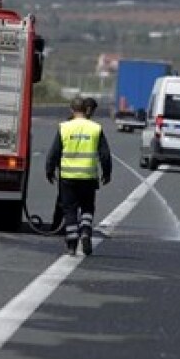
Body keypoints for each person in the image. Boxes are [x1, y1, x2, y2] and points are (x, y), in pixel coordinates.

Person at [45, 97, 112, 256]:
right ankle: (86, 232)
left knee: (69, 210)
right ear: (87, 110)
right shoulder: (95, 128)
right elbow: (105, 154)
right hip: (88, 176)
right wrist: (107, 173)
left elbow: (54, 152)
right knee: (87, 208)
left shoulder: (64, 127)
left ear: (71, 110)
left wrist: (49, 170)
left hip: (68, 176)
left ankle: (72, 244)